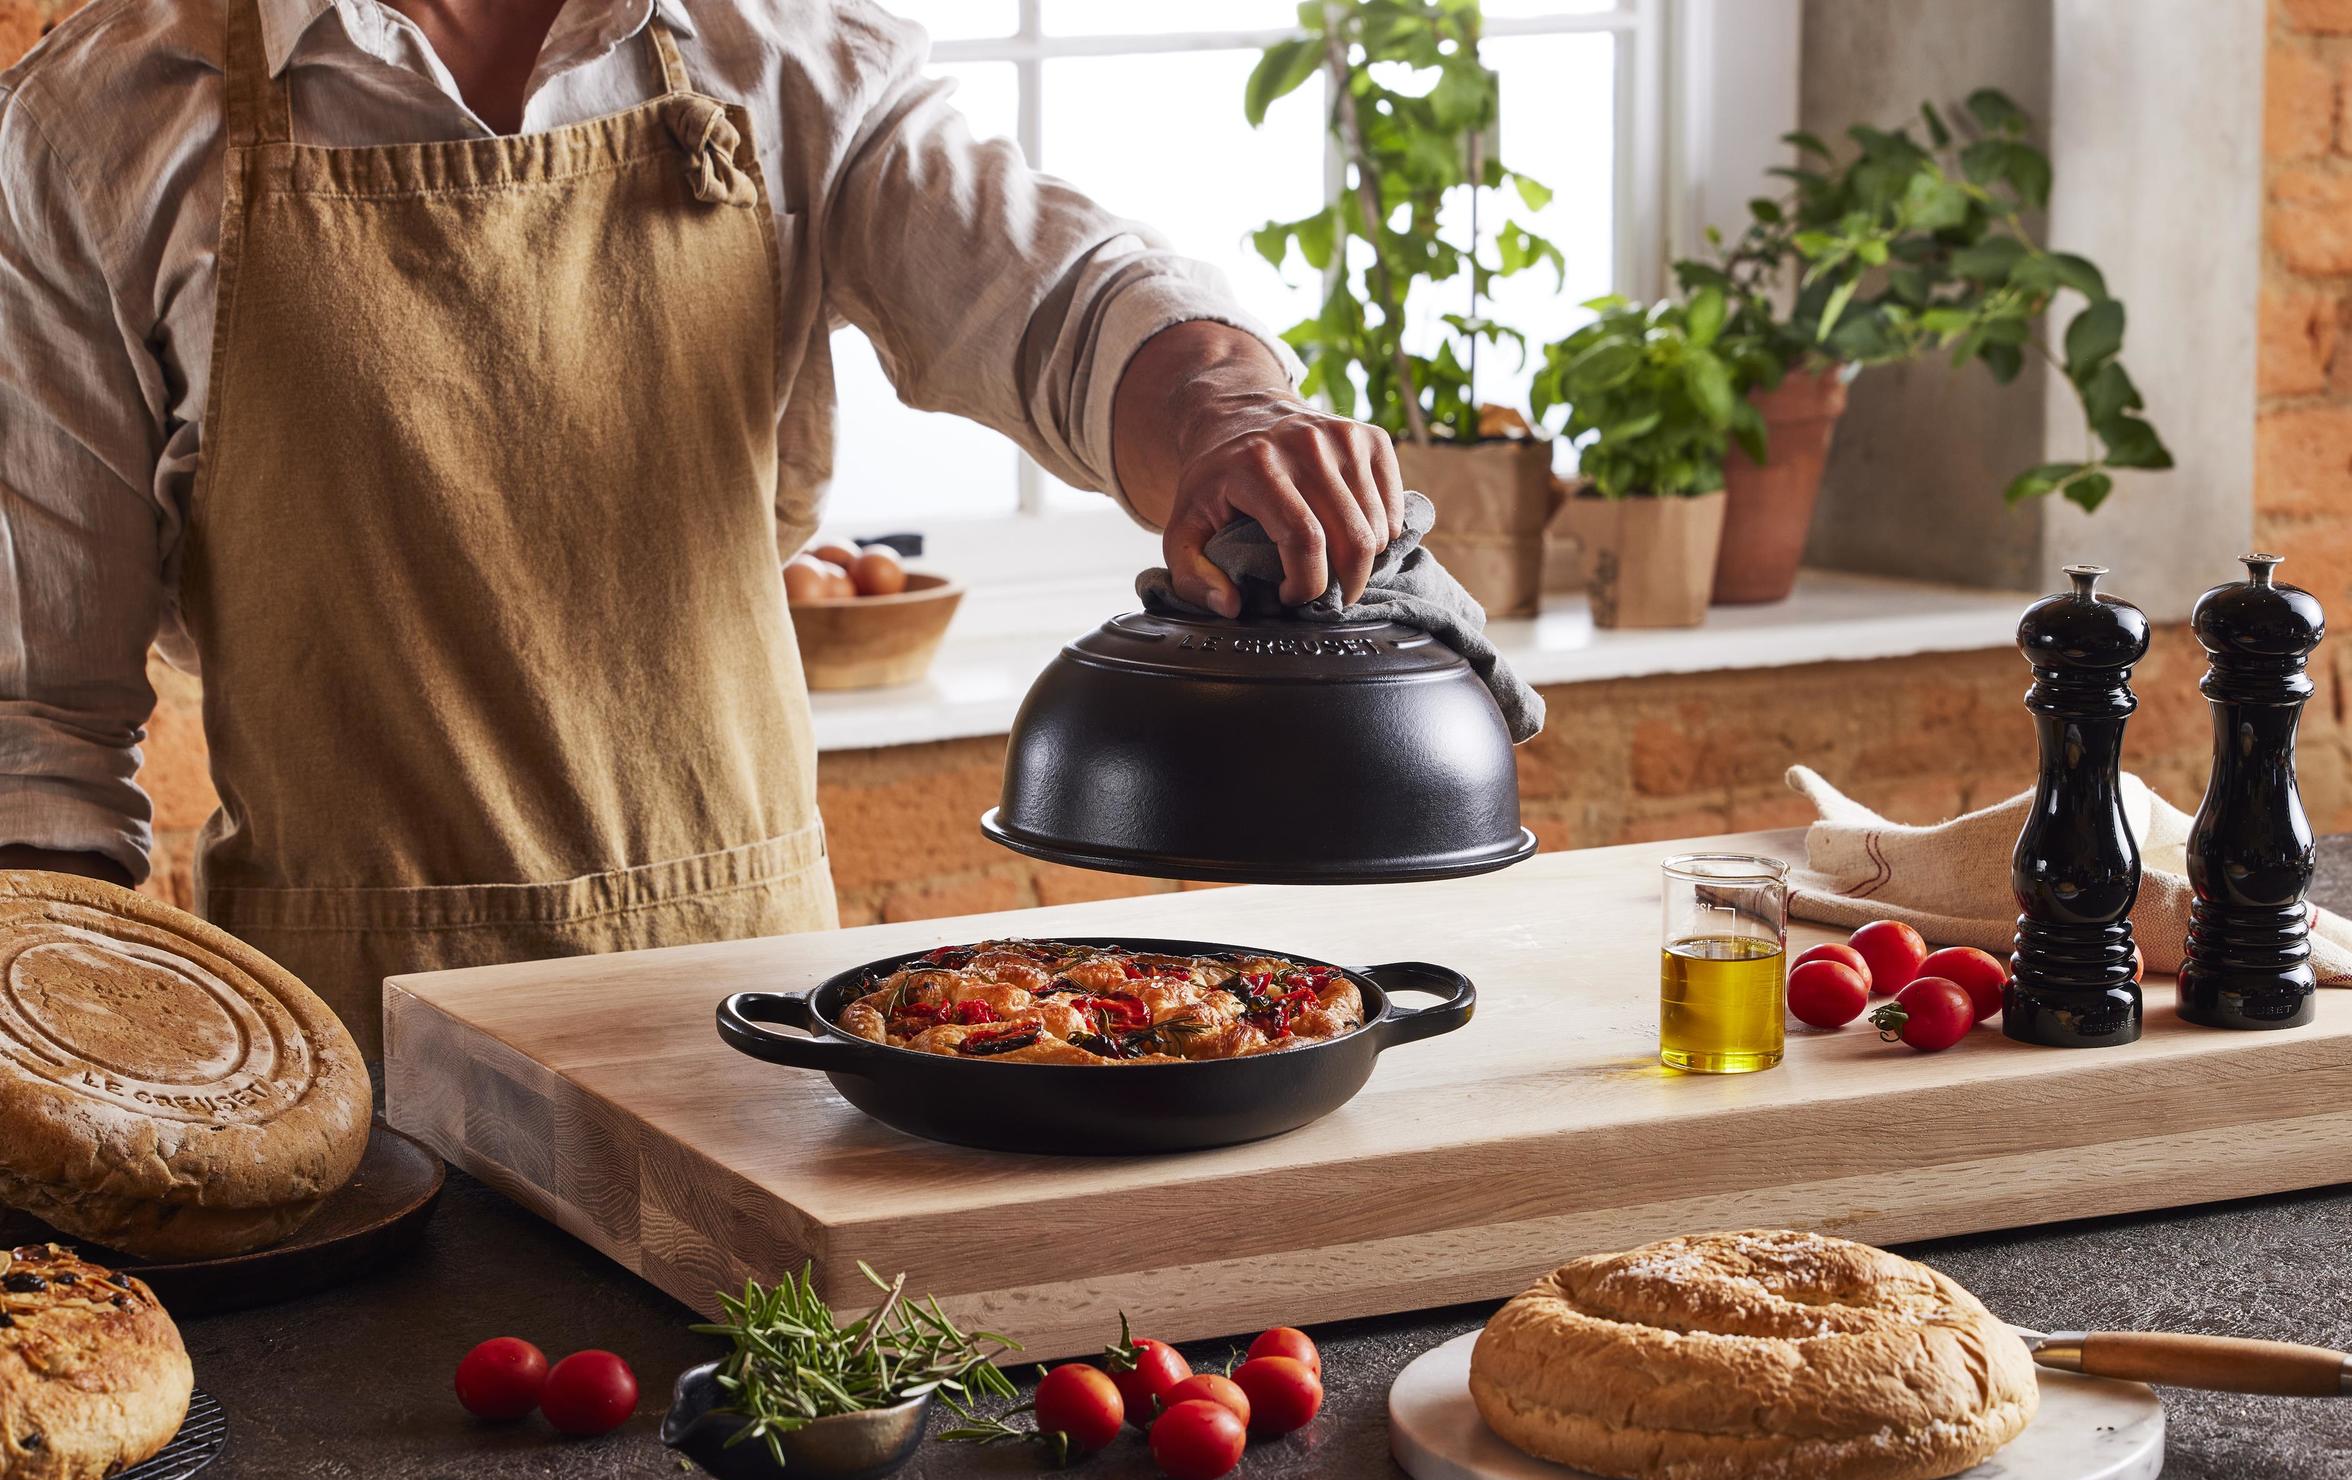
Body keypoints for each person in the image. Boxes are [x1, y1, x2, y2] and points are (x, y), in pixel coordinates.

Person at [0, 0, 1402, 1052]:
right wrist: (47, 1079)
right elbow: (35, 745)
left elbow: (1045, 291)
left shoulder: (770, 47)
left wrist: (1225, 409)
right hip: (347, 1063)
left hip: (758, 1031)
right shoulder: (97, 125)